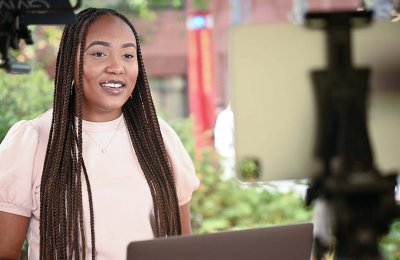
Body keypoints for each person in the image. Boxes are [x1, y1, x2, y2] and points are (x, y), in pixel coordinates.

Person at [0, 8, 199, 260]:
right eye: (99, 54)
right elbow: (5, 252)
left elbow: (183, 247)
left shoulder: (159, 138)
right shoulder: (32, 140)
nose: (117, 67)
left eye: (128, 55)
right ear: (70, 62)